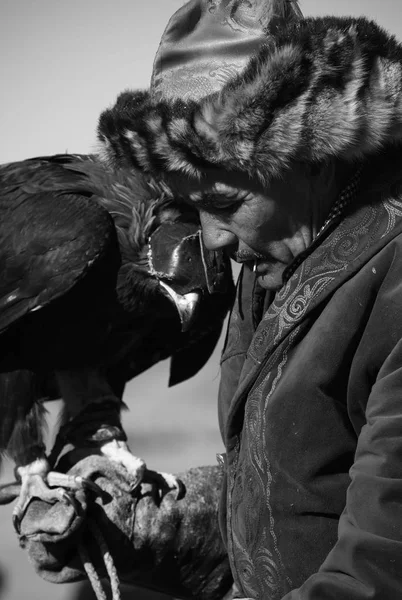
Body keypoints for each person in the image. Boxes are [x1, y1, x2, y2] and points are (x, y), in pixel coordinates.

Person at [23, 1, 402, 598]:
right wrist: (155, 530)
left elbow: (378, 568)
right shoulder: (275, 250)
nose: (212, 238)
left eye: (223, 204)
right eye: (189, 205)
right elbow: (296, 496)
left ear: (315, 156)